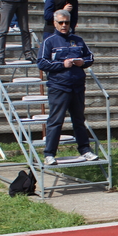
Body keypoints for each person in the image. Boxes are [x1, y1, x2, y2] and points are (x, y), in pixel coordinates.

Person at [36, 9, 99, 166]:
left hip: (77, 86)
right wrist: (62, 64)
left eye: (67, 22)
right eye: (61, 23)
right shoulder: (49, 42)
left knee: (79, 119)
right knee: (56, 120)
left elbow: (90, 57)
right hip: (59, 86)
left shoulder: (77, 40)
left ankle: (85, 150)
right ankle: (49, 153)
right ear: (55, 23)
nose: (64, 25)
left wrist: (82, 62)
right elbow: (41, 63)